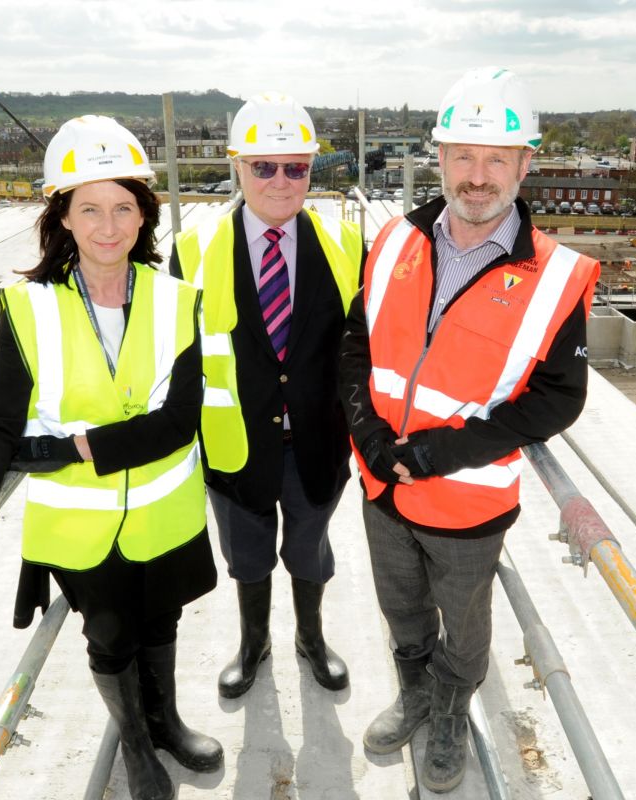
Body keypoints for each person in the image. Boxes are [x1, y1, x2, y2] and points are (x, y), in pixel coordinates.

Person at [0, 115, 220, 800]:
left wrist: (72, 446)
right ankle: (137, 747)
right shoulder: (27, 309)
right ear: (61, 215)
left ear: (143, 214)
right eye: (88, 207)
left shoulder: (177, 300)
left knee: (163, 622)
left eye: (123, 207)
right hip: (82, 530)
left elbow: (179, 422)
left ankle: (166, 721)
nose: (107, 225)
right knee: (111, 640)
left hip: (167, 516)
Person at [338, 67, 599, 793]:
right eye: (462, 156)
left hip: (466, 502)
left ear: (525, 164)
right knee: (401, 610)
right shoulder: (393, 241)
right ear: (440, 157)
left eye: (495, 159)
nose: (476, 177)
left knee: (466, 623)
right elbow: (356, 346)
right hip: (381, 486)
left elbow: (554, 401)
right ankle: (415, 693)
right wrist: (370, 437)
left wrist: (435, 454)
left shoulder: (554, 276)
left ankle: (450, 711)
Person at [170, 92, 364, 700]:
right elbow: (179, 362)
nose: (281, 181)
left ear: (311, 170)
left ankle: (310, 638)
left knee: (310, 552)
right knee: (248, 559)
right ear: (237, 166)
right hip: (236, 447)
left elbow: (361, 349)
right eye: (264, 166)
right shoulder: (191, 252)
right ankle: (255, 643)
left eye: (296, 167)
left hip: (315, 442)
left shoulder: (346, 247)